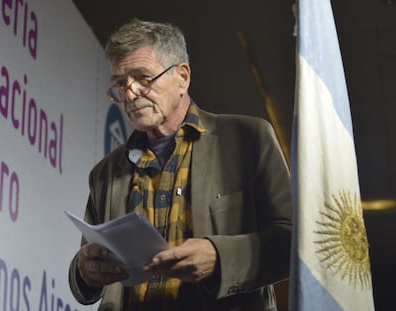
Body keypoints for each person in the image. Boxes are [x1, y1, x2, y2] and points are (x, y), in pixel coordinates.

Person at [68, 18, 292, 311]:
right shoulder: (105, 173)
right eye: (121, 84)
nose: (130, 93)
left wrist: (219, 256)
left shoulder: (249, 138)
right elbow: (85, 273)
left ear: (182, 77)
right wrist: (85, 271)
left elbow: (293, 243)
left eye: (143, 78)